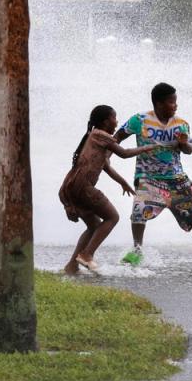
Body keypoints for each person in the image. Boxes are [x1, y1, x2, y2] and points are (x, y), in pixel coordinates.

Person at [115, 82, 192, 268]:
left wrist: (183, 143)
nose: (176, 105)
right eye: (172, 102)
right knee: (139, 210)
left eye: (175, 101)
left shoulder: (181, 124)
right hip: (149, 177)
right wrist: (105, 155)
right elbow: (117, 138)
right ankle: (137, 251)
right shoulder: (139, 120)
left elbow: (189, 150)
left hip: (177, 180)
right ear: (159, 104)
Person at [60, 105, 161, 274]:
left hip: (72, 187)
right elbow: (124, 153)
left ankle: (72, 265)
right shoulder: (102, 135)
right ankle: (86, 255)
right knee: (112, 217)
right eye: (114, 118)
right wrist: (147, 148)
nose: (117, 122)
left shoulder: (92, 137)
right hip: (84, 187)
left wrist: (123, 183)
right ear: (106, 122)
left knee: (93, 226)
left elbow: (106, 167)